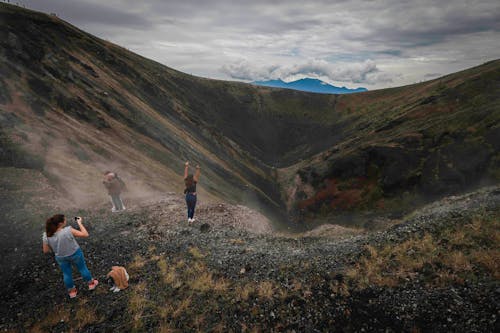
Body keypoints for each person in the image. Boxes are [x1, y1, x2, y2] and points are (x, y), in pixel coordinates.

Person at [42, 215, 98, 298]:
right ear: (60, 223)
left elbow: (46, 250)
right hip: (75, 253)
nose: (66, 220)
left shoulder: (46, 235)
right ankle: (91, 284)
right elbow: (85, 234)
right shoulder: (68, 230)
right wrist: (79, 223)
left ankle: (72, 292)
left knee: (66, 274)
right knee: (82, 268)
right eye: (64, 220)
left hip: (61, 257)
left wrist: (56, 248)